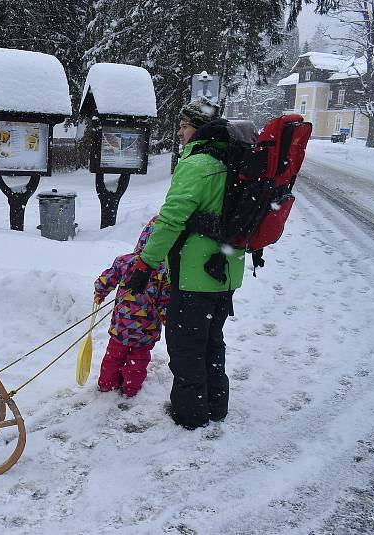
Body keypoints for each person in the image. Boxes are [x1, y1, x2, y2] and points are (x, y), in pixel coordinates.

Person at [127, 97, 244, 429]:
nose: (179, 133)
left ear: (199, 128)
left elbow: (170, 220)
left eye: (184, 126)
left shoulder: (197, 165)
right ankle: (216, 405)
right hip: (226, 270)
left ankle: (190, 414)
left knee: (186, 346)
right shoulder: (232, 160)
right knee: (211, 340)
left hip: (195, 273)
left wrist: (145, 264)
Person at [94, 217, 170, 397]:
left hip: (121, 326)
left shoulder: (125, 261)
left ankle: (107, 384)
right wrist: (167, 317)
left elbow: (107, 279)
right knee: (138, 359)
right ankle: (130, 388)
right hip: (146, 329)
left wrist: (100, 291)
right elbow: (165, 301)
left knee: (113, 356)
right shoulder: (163, 272)